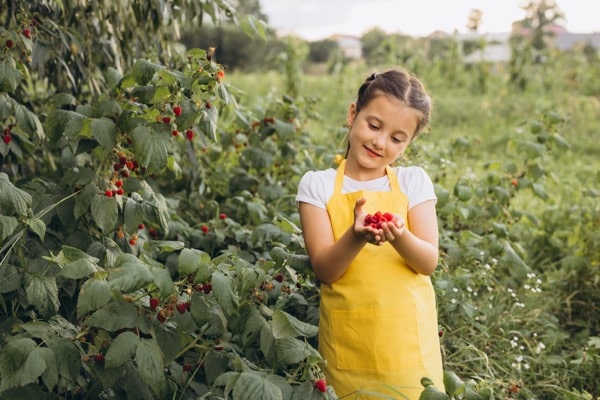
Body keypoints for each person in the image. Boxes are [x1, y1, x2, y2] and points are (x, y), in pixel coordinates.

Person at [296, 69, 444, 399]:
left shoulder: (413, 182)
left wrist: (400, 235)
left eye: (397, 138)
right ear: (353, 114)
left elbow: (428, 262)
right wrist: (355, 236)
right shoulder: (317, 185)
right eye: (374, 126)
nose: (380, 142)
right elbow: (325, 269)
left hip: (409, 347)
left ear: (409, 143)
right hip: (349, 344)